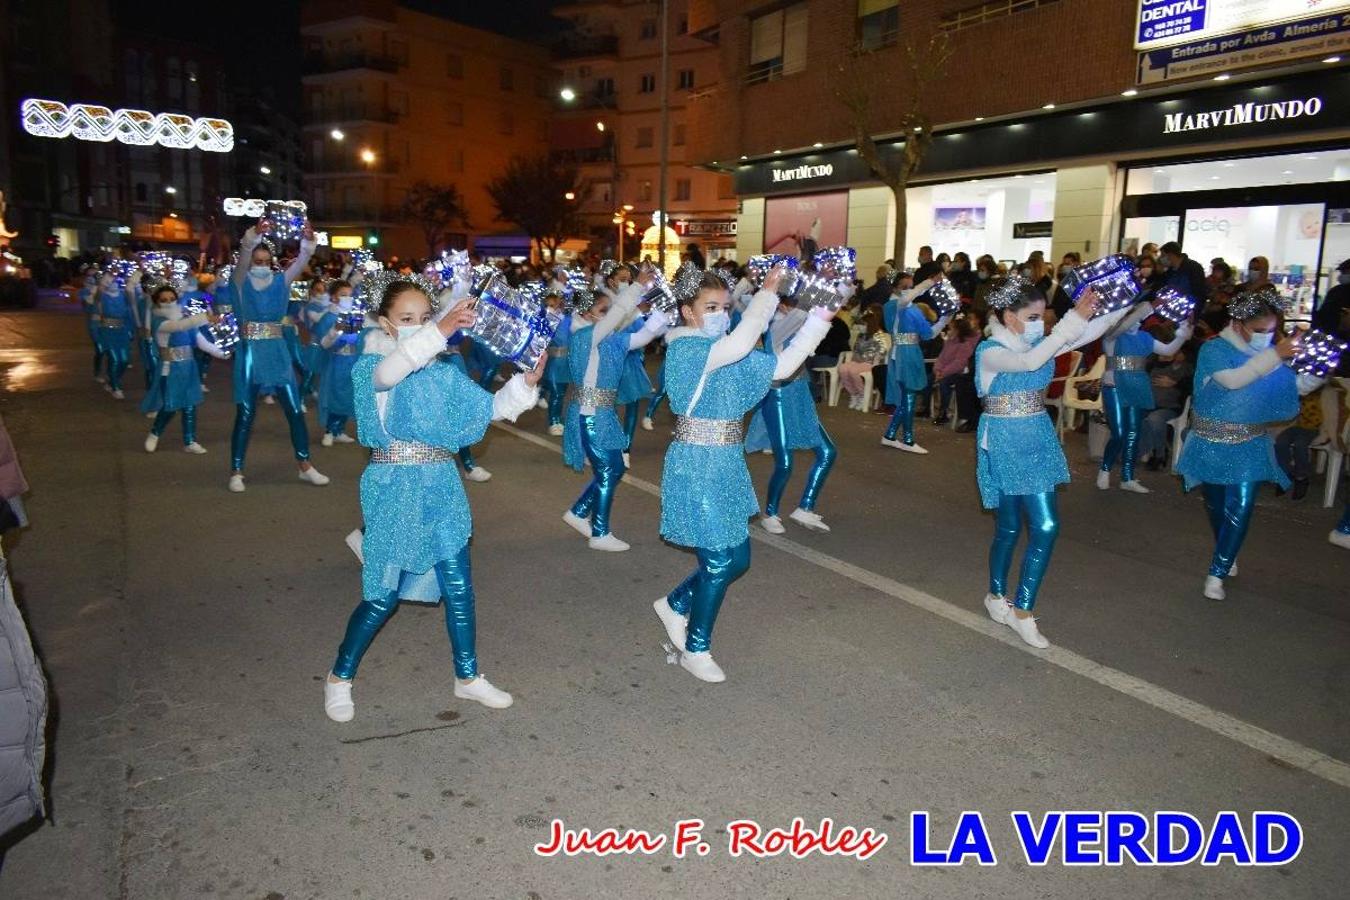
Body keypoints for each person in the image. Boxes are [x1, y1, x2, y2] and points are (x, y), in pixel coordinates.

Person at [323, 277, 542, 723]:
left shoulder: (444, 371)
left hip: (441, 483)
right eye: (407, 319)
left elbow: (489, 408)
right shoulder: (372, 367)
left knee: (459, 587)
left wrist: (525, 382)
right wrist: (439, 331)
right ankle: (339, 676)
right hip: (393, 487)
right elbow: (391, 373)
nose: (420, 326)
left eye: (425, 317)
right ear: (386, 324)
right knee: (382, 596)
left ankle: (468, 678)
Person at [653, 268, 834, 682]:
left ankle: (675, 603)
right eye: (710, 307)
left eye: (725, 307)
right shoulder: (687, 351)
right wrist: (766, 296)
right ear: (688, 312)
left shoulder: (727, 352)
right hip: (695, 465)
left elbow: (782, 366)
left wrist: (820, 318)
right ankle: (695, 649)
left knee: (737, 560)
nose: (720, 314)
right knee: (718, 561)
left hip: (728, 465)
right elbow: (738, 343)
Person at [975, 276, 1126, 648]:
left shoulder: (1039, 342)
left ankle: (1023, 611)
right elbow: (1029, 363)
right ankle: (996, 595)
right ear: (1009, 317)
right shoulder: (990, 351)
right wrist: (1070, 322)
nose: (1041, 323)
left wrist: (1124, 299)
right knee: (1008, 527)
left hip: (1037, 438)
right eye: (1033, 316)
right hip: (1004, 441)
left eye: (1044, 315)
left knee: (1045, 525)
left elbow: (1085, 333)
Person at [1175, 286, 1318, 601]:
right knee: (1216, 507)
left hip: (1250, 444)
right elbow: (1233, 381)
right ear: (1238, 323)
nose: (1266, 337)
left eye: (1271, 331)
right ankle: (1228, 550)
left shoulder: (1272, 355)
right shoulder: (1215, 350)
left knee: (1240, 507)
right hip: (1209, 442)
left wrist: (1318, 373)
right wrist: (1274, 355)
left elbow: (1292, 388)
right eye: (1259, 330)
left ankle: (1217, 571)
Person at [560, 280, 667, 551]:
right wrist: (635, 287)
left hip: (604, 414)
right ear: (586, 314)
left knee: (615, 468)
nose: (608, 315)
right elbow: (618, 315)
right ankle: (600, 533)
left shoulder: (610, 340)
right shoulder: (585, 337)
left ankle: (578, 511)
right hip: (589, 415)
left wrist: (664, 312)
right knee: (608, 471)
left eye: (608, 310)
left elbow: (643, 337)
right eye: (602, 310)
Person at [226, 223, 329, 493]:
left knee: (295, 410)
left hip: (277, 351)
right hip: (251, 352)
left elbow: (302, 260)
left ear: (271, 261)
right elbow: (245, 253)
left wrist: (308, 243)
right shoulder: (239, 281)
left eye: (265, 260)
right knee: (246, 412)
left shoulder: (281, 281)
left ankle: (305, 465)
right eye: (255, 260)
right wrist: (253, 237)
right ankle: (236, 470)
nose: (260, 264)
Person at [743, 302, 838, 534]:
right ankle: (770, 513)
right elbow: (797, 319)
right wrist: (811, 300)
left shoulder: (798, 319)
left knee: (828, 452)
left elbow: (812, 320)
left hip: (799, 393)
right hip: (775, 396)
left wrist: (838, 287)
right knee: (785, 462)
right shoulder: (772, 326)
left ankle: (805, 507)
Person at [1096, 304, 1192, 492]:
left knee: (1134, 432)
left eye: (1140, 317)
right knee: (1119, 432)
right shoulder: (1112, 336)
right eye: (1134, 316)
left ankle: (1128, 477)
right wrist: (1145, 306)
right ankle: (1105, 469)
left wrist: (1182, 334)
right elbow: (1124, 326)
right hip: (1114, 386)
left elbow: (1168, 350)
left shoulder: (1145, 338)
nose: (1137, 320)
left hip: (1138, 386)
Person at [141, 283, 231, 454]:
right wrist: (206, 316)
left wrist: (221, 353)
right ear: (157, 303)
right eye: (164, 300)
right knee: (170, 405)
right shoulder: (159, 322)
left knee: (190, 404)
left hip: (188, 367)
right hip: (169, 368)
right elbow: (179, 327)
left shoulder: (186, 318)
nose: (169, 302)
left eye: (172, 299)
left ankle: (190, 441)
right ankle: (155, 433)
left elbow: (201, 342)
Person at [882, 272, 947, 454]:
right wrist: (929, 281)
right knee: (908, 396)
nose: (908, 291)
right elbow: (927, 333)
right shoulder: (898, 306)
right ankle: (908, 439)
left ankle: (890, 434)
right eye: (904, 287)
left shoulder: (900, 307)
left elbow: (928, 334)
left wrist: (943, 320)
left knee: (906, 397)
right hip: (906, 355)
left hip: (901, 353)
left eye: (910, 287)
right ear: (895, 288)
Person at [1137, 347, 1192, 470]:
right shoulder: (1156, 364)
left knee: (1155, 419)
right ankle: (1134, 451)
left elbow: (1190, 388)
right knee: (1134, 416)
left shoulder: (1187, 370)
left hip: (1170, 407)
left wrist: (1174, 384)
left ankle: (1159, 454)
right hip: (1149, 404)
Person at [92, 268, 141, 400]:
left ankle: (113, 379)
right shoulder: (102, 295)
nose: (113, 281)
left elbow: (132, 293)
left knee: (124, 361)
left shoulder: (123, 295)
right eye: (110, 279)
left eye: (115, 279)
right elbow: (96, 297)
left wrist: (138, 271)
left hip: (122, 331)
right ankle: (116, 387)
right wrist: (105, 280)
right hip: (108, 332)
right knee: (114, 359)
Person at [932, 313, 979, 425]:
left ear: (958, 329)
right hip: (944, 371)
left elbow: (959, 363)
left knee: (944, 383)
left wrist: (943, 373)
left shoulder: (965, 343)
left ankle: (944, 411)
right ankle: (927, 408)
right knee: (929, 379)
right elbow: (941, 357)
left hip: (958, 373)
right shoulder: (950, 341)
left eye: (951, 327)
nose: (949, 329)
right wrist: (938, 369)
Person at [839, 308, 889, 409]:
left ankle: (862, 395)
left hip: (871, 363)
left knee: (853, 371)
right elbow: (856, 350)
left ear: (869, 324)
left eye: (863, 324)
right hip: (857, 361)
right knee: (842, 368)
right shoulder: (861, 335)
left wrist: (872, 357)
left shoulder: (880, 335)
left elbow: (883, 351)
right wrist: (855, 359)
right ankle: (854, 394)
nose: (860, 326)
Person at [541, 292, 572, 437]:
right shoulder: (544, 322)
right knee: (556, 392)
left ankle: (558, 419)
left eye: (554, 305)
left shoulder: (569, 320)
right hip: (553, 362)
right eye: (548, 306)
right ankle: (553, 421)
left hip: (566, 362)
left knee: (561, 393)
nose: (551, 308)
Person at [1158, 241, 1209, 313]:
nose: (1161, 259)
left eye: (1163, 256)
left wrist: (1194, 311)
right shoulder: (1170, 271)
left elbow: (1199, 293)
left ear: (1170, 255)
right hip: (1171, 309)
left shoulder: (1193, 268)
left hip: (1188, 310)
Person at [1313, 258, 1350, 335]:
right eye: (1342, 273)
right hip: (1335, 334)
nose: (1341, 276)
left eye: (1345, 272)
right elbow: (1325, 312)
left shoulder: (1337, 291)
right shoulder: (1336, 291)